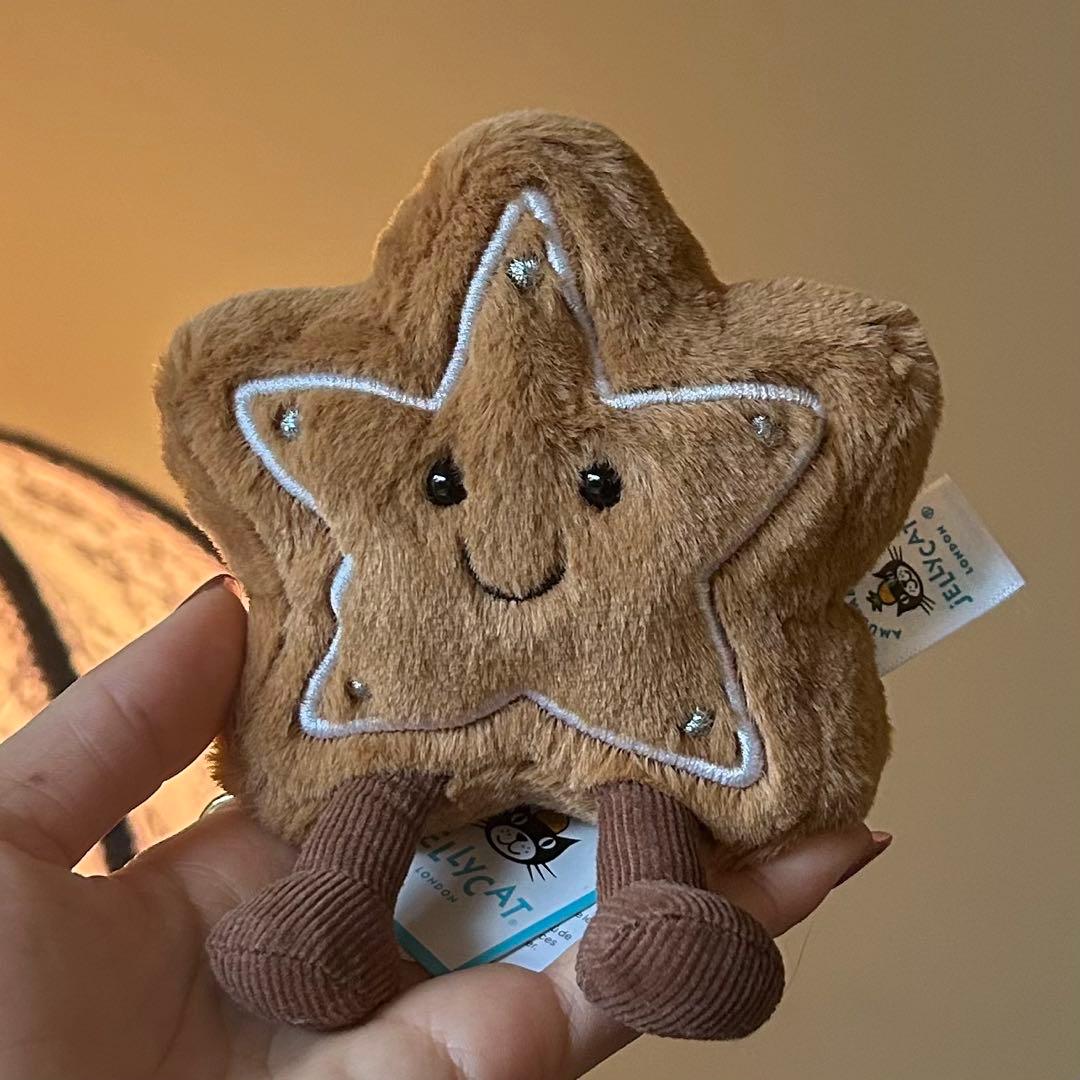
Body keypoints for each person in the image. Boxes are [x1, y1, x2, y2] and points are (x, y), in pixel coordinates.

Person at [0, 576, 890, 1080]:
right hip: (417, 731)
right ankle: (325, 908)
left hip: (635, 733)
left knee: (641, 788)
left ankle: (656, 910)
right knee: (384, 785)